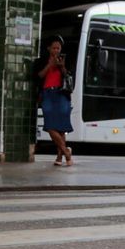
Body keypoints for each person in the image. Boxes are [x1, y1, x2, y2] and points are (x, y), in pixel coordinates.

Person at [33, 35, 73, 167]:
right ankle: (67, 152)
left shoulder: (64, 60)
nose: (57, 50)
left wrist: (62, 67)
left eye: (59, 48)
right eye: (54, 48)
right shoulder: (41, 61)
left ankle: (60, 157)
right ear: (49, 48)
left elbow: (69, 77)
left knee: (61, 128)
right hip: (47, 94)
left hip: (61, 94)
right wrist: (50, 65)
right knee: (50, 126)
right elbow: (39, 75)